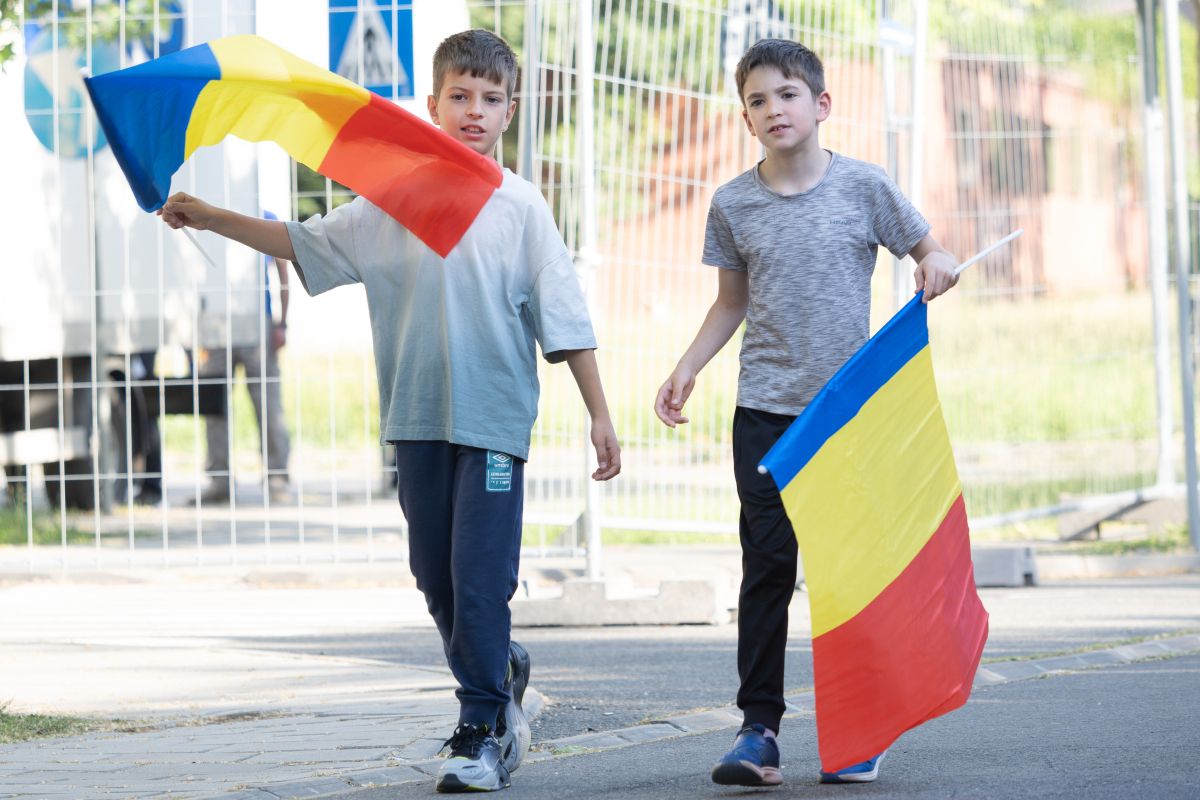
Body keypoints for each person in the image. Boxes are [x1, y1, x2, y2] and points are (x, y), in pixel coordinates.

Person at [158, 29, 621, 794]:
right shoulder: (392, 200)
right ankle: (499, 667)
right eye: (460, 96)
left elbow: (565, 318)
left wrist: (599, 414)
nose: (475, 111)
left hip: (494, 425)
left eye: (491, 99)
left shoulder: (521, 208)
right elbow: (301, 242)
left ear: (511, 111)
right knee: (436, 580)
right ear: (432, 104)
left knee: (479, 580)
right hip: (415, 419)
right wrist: (211, 216)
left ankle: (482, 728)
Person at [653, 38, 959, 788]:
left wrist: (936, 261)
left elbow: (930, 251)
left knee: (848, 573)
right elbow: (731, 303)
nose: (774, 109)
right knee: (767, 570)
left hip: (846, 419)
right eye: (757, 100)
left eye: (787, 94)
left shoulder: (864, 186)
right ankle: (758, 732)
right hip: (763, 415)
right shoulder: (733, 204)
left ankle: (861, 728)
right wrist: (687, 366)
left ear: (820, 105)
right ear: (746, 118)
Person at [194, 211, 292, 506]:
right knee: (214, 404)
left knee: (267, 403)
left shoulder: (265, 216)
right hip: (215, 323)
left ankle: (277, 476)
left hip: (257, 323)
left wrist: (281, 323)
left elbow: (283, 269)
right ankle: (219, 480)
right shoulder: (206, 211)